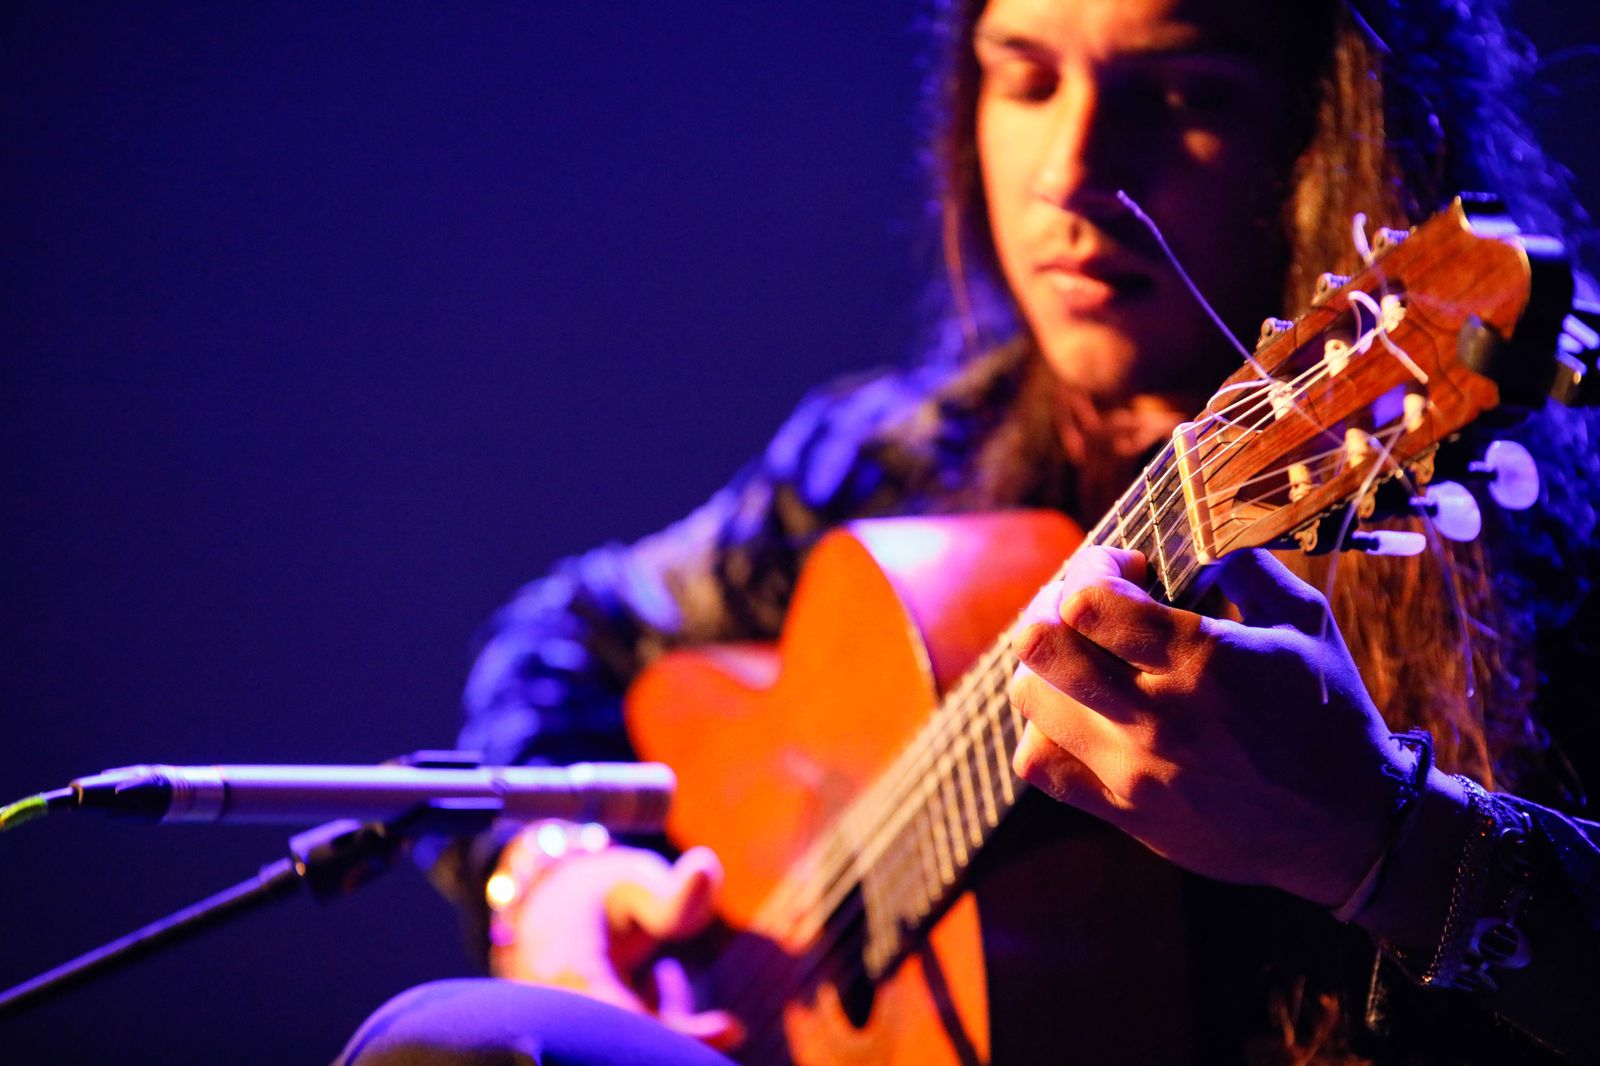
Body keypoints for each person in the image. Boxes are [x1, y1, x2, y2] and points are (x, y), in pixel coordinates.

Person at [339, 0, 1600, 1061]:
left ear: (1327, 128)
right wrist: (548, 878)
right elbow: (571, 630)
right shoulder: (891, 459)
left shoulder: (1537, 552)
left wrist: (1380, 833)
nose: (1071, 170)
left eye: (1180, 94)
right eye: (1025, 79)